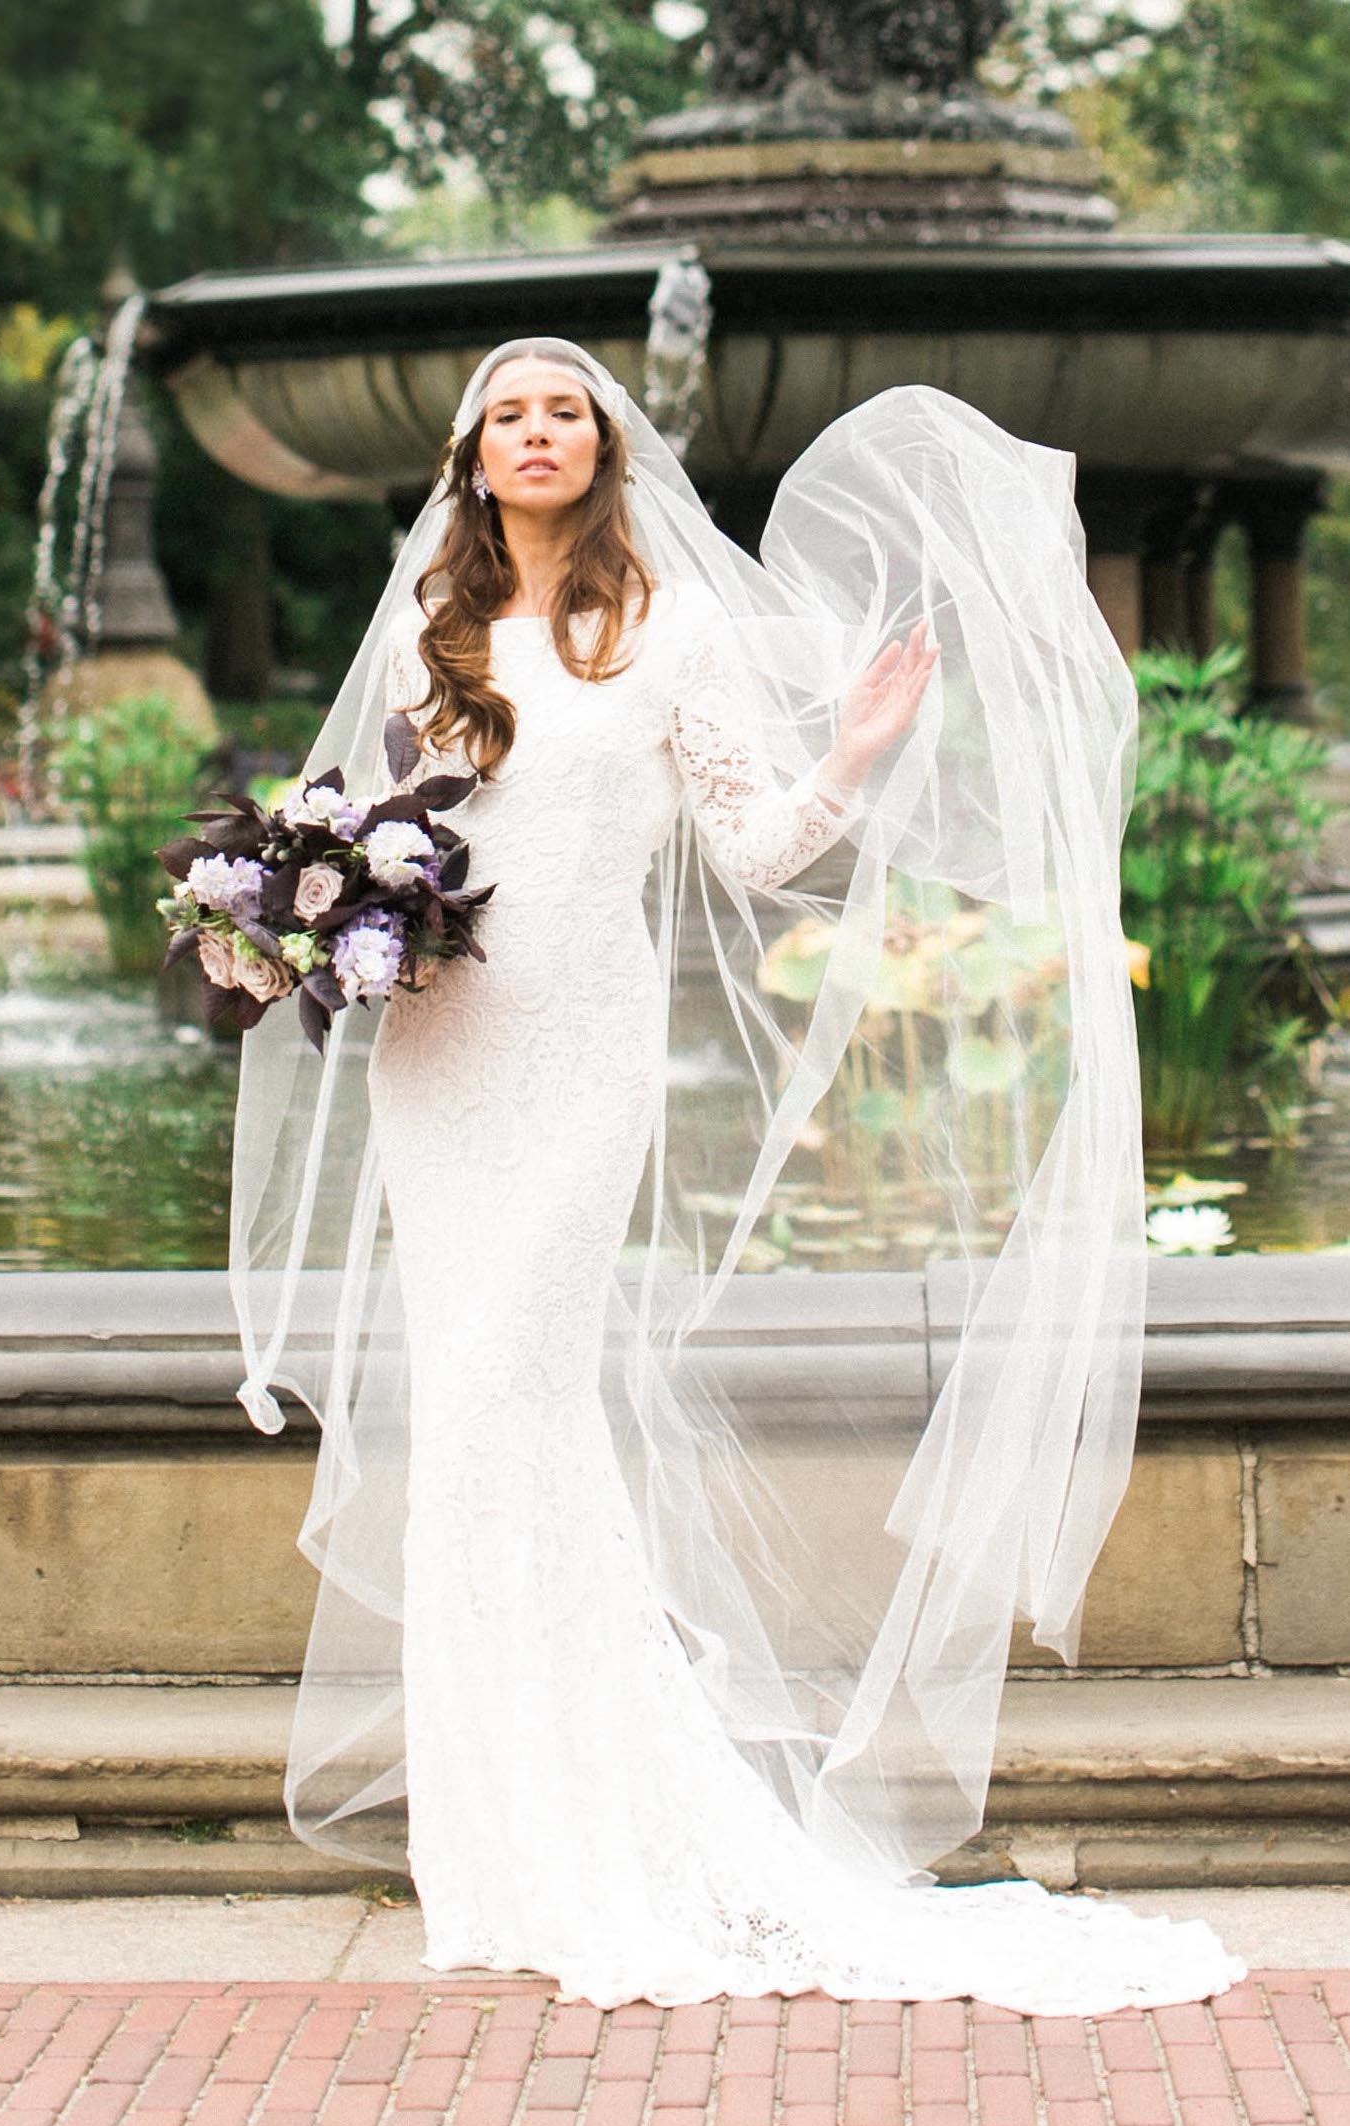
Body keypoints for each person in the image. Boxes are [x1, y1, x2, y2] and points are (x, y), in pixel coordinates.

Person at [228, 335, 1246, 2011]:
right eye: (512, 417)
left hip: (574, 1061)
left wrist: (848, 750)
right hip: (438, 1060)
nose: (539, 435)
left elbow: (755, 844)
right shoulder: (434, 625)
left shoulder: (666, 627)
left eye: (567, 413)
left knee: (501, 1404)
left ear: (603, 450)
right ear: (473, 457)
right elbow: (383, 834)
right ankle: (498, 1839)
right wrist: (314, 918)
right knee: (477, 1424)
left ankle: (602, 1829)